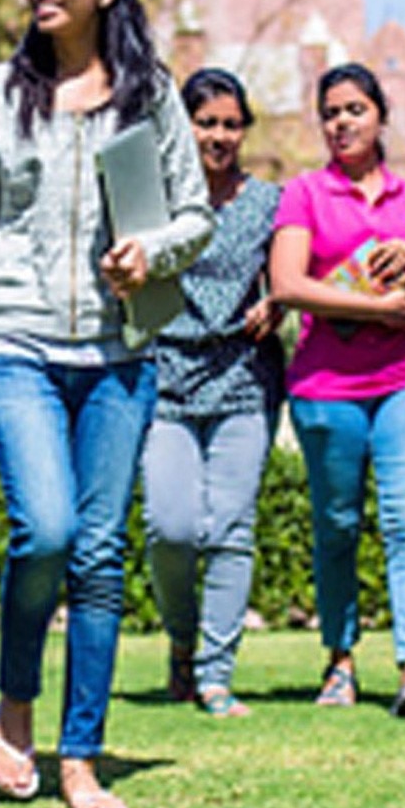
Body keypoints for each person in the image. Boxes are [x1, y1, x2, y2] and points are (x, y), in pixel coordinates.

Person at [0, 0, 212, 808]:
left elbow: (195, 218)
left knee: (98, 553)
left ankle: (80, 753)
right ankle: (15, 704)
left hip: (121, 353)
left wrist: (153, 254)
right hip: (14, 344)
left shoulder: (152, 96)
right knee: (44, 530)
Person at [269, 61, 405, 718]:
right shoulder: (305, 195)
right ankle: (340, 663)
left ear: (381, 116)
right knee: (338, 527)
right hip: (327, 388)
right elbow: (287, 285)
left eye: (354, 110)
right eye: (330, 112)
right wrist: (376, 309)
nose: (341, 122)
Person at [141, 67, 284, 719]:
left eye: (231, 124)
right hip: (163, 377)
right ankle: (181, 638)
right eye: (206, 122)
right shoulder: (152, 198)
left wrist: (279, 301)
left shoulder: (269, 203)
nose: (219, 135)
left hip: (241, 379)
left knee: (230, 528)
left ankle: (216, 672)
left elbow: (292, 270)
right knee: (169, 527)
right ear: (183, 125)